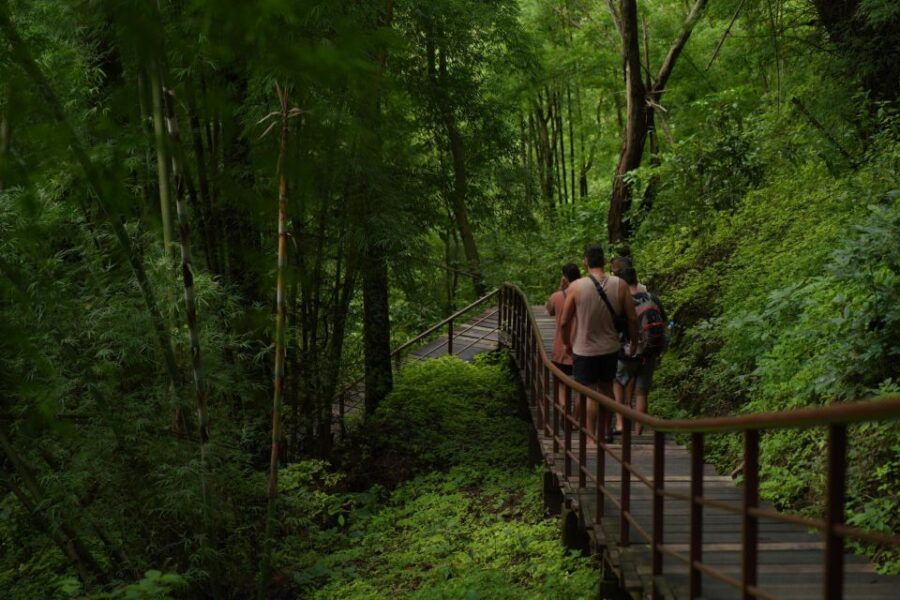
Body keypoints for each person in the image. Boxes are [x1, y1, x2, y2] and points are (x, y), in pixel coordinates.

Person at [560, 245, 638, 443]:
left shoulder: (575, 287)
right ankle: (606, 431)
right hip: (610, 348)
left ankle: (591, 437)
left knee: (589, 392)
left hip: (583, 349)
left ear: (585, 262)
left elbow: (564, 321)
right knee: (606, 389)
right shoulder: (620, 284)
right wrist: (634, 342)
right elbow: (632, 318)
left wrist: (567, 343)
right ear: (604, 261)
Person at [612, 264, 668, 436]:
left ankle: (620, 423)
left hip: (627, 352)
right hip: (650, 351)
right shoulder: (652, 297)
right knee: (642, 393)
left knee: (618, 383)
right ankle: (638, 432)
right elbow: (664, 321)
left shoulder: (622, 300)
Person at [545, 263, 580, 409]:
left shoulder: (557, 296)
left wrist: (561, 289)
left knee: (561, 385)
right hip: (582, 348)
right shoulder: (585, 294)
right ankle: (577, 417)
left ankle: (565, 414)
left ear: (565, 277)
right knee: (582, 387)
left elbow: (549, 310)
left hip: (561, 348)